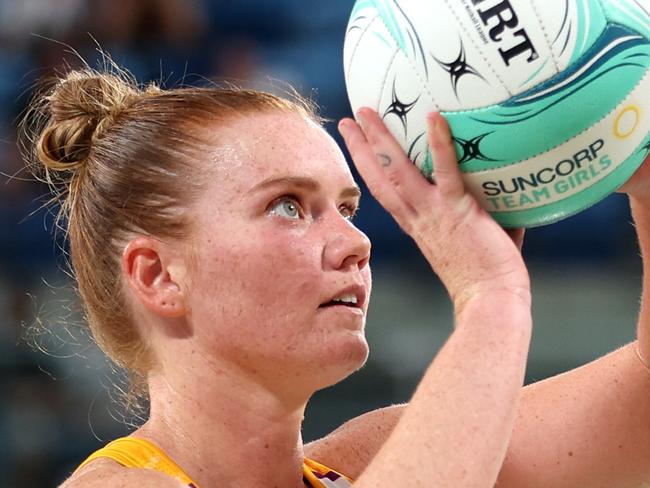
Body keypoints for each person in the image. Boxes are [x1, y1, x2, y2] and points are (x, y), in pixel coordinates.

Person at [20, 62, 650, 487]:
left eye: (346, 208)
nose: (355, 243)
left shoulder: (368, 458)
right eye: (288, 206)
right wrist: (493, 299)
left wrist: (641, 166)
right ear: (158, 275)